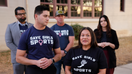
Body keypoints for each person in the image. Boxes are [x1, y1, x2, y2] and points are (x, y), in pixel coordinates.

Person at [16, 5, 61, 74]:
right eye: (45, 16)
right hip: (33, 69)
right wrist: (36, 62)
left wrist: (51, 60)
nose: (48, 19)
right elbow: (18, 58)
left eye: (48, 16)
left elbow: (58, 54)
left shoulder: (52, 34)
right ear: (36, 16)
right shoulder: (26, 34)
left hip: (50, 69)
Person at [5, 7, 33, 74]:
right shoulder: (10, 26)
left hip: (30, 58)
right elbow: (9, 42)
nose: (22, 15)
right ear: (16, 16)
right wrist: (20, 53)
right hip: (17, 58)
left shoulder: (32, 26)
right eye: (20, 14)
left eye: (24, 13)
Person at [51, 10, 75, 74]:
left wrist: (65, 51)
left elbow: (71, 42)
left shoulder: (69, 28)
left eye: (62, 16)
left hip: (67, 55)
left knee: (68, 72)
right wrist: (58, 52)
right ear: (55, 18)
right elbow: (50, 43)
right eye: (58, 16)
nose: (60, 17)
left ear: (64, 17)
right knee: (56, 72)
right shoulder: (52, 29)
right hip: (56, 55)